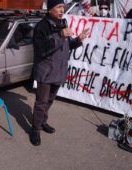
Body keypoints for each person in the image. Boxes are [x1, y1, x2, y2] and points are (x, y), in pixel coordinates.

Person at [30, 0, 89, 146]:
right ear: (50, 9)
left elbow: (66, 46)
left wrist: (78, 40)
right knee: (41, 102)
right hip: (46, 71)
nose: (62, 10)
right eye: (58, 7)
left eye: (63, 7)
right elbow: (41, 49)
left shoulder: (63, 22)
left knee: (50, 100)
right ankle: (35, 130)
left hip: (59, 70)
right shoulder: (41, 26)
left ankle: (43, 122)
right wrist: (60, 35)